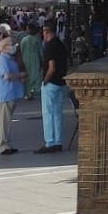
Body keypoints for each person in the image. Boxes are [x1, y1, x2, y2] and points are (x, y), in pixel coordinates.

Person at [35, 23, 69, 154]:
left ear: (46, 31)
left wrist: (45, 80)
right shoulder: (60, 44)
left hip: (51, 83)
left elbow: (51, 66)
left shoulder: (49, 46)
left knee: (48, 114)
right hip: (60, 82)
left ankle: (50, 142)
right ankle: (58, 141)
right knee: (58, 113)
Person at [0, 34, 25, 155]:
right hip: (5, 94)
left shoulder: (11, 59)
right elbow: (6, 75)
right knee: (4, 121)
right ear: (5, 47)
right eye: (12, 45)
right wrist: (19, 76)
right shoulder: (3, 59)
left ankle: (7, 144)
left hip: (11, 93)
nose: (14, 47)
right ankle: (3, 145)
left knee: (7, 121)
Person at [19, 23, 43, 100]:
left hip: (25, 59)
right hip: (35, 60)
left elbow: (21, 50)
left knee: (27, 77)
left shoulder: (24, 40)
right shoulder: (37, 40)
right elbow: (41, 51)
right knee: (34, 75)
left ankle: (27, 92)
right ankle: (32, 91)